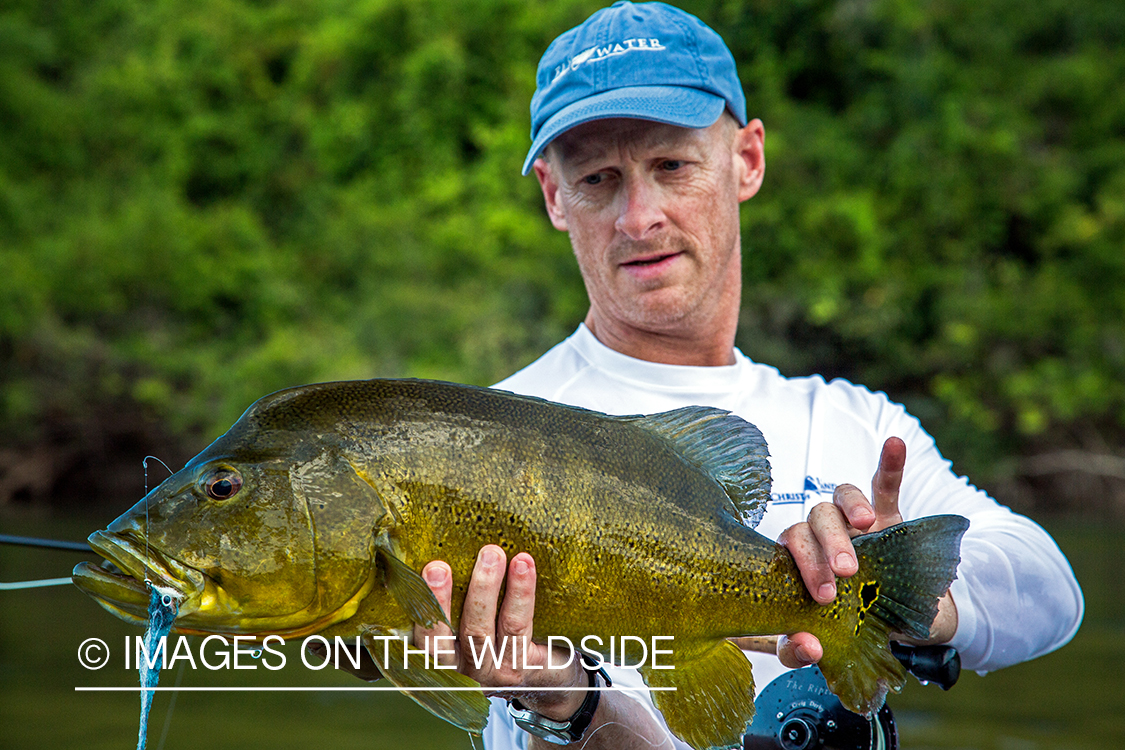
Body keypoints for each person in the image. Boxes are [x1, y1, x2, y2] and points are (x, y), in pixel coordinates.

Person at [399, 3, 1084, 748]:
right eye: (597, 178)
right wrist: (562, 698)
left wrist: (898, 600)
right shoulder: (474, 444)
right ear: (553, 196)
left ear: (746, 160)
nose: (638, 217)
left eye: (670, 166)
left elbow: (1049, 593)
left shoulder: (852, 423)